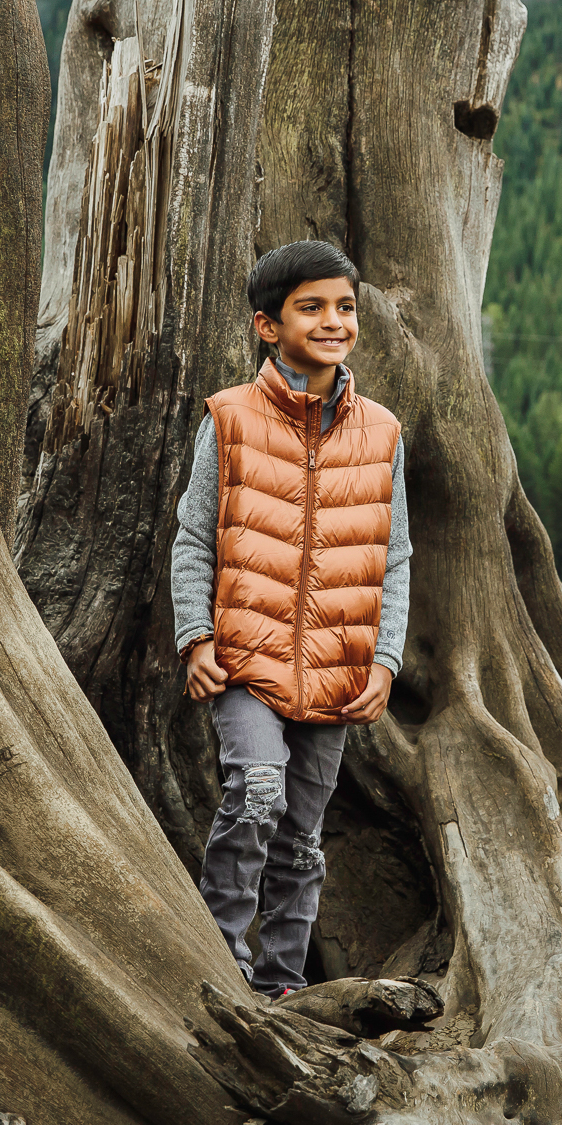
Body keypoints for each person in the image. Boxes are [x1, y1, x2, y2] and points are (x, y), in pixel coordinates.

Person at [169, 240, 410, 995]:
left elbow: (394, 555)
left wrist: (386, 660)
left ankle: (283, 983)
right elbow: (193, 536)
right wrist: (195, 636)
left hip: (339, 670)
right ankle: (222, 962)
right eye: (312, 307)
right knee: (255, 797)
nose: (334, 321)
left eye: (345, 307)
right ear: (267, 326)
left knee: (303, 835)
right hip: (248, 660)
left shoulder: (381, 432)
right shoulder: (230, 419)